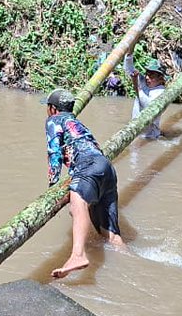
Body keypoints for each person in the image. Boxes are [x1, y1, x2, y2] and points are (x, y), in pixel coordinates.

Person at [43, 89, 125, 279]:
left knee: (77, 202)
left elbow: (53, 152)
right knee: (111, 235)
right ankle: (131, 263)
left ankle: (77, 255)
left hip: (87, 165)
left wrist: (53, 185)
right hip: (106, 168)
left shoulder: (53, 121)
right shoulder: (77, 123)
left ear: (52, 109)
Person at [123, 52, 168, 139]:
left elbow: (147, 106)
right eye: (147, 74)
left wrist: (136, 85)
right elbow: (129, 69)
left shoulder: (161, 92)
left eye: (151, 75)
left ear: (160, 78)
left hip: (149, 136)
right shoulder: (144, 83)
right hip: (136, 131)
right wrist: (129, 54)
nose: (147, 77)